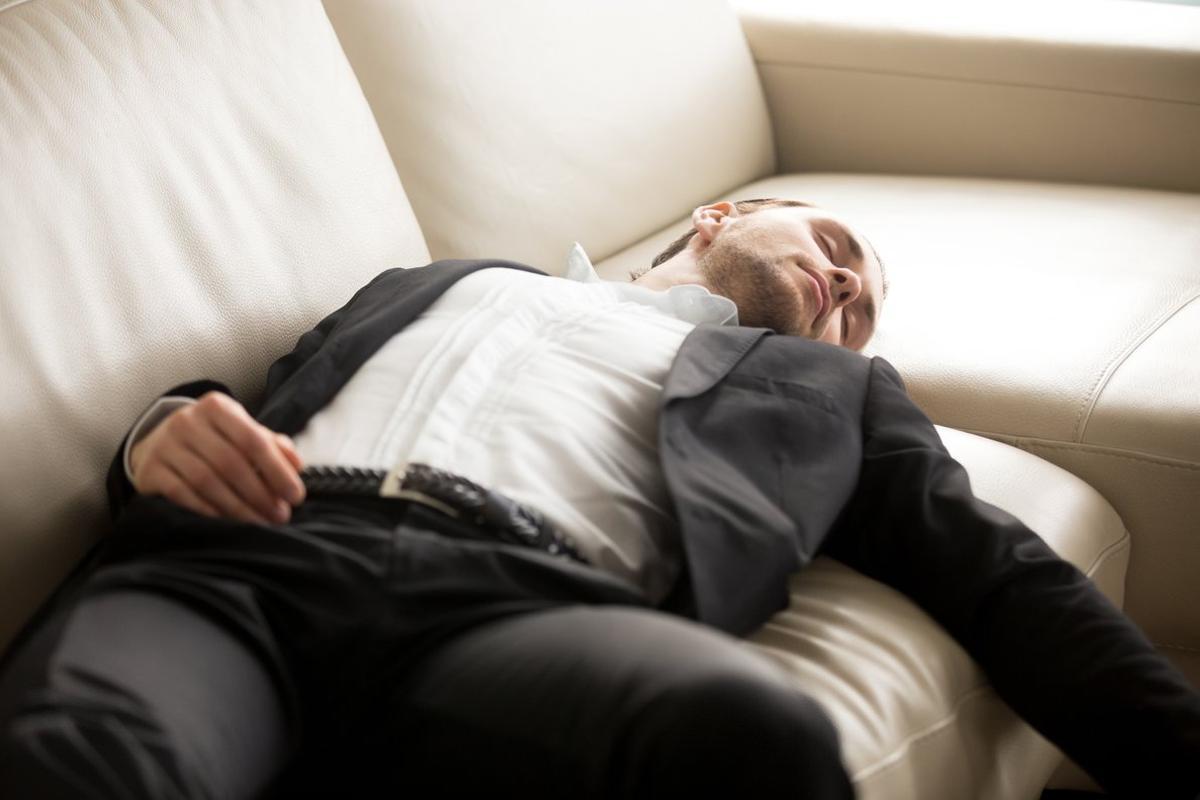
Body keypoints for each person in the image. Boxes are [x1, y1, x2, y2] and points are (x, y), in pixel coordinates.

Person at [0, 199, 1196, 799]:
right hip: (245, 564)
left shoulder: (832, 391)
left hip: (524, 610)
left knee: (749, 733)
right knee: (86, 758)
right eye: (836, 243)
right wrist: (158, 430)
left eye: (863, 301)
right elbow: (259, 397)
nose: (844, 283)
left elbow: (1000, 575)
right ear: (716, 215)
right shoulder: (442, 279)